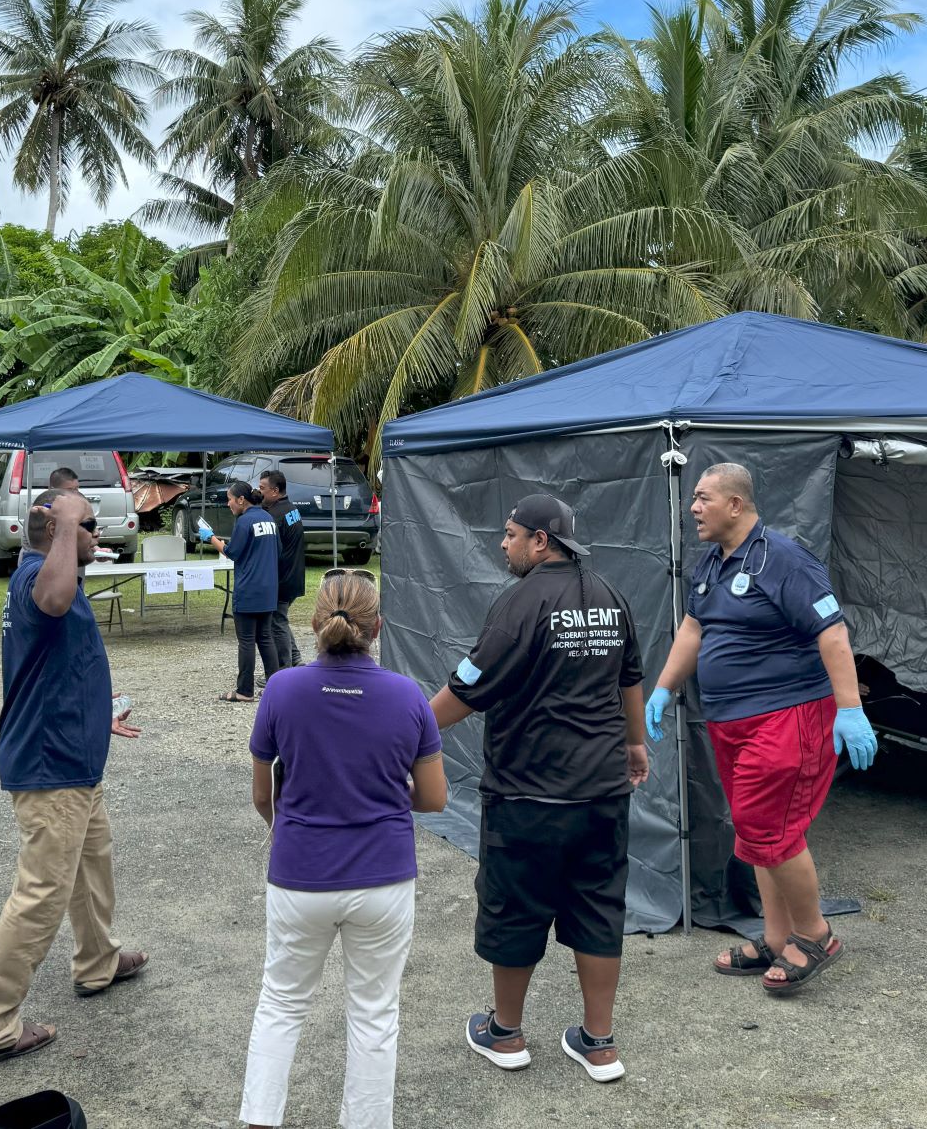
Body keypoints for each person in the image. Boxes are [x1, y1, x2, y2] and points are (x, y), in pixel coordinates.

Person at [429, 494, 649, 1084]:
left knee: (514, 908)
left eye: (510, 535)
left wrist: (410, 730)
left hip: (527, 793)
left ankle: (506, 1034)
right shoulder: (610, 596)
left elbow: (469, 686)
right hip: (602, 791)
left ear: (540, 541)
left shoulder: (520, 603)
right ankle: (600, 1044)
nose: (503, 544)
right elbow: (632, 676)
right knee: (601, 909)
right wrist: (635, 745)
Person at [646, 463, 876, 995]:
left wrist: (849, 708)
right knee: (754, 829)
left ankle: (816, 934)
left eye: (703, 498)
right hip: (731, 722)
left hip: (787, 715)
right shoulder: (712, 563)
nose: (693, 508)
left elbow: (833, 633)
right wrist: (664, 687)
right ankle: (776, 936)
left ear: (736, 504)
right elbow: (694, 627)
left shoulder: (785, 559)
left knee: (772, 827)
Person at [239, 571, 448, 1129]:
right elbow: (433, 799)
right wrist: (384, 788)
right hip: (383, 878)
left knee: (280, 1004)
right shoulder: (407, 697)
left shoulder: (281, 688)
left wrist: (283, 829)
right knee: (375, 1015)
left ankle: (261, 1119)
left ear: (313, 623)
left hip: (299, 874)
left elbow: (264, 795)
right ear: (378, 627)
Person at [0, 489, 148, 1070]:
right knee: (41, 893)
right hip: (51, 768)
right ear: (56, 529)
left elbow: (55, 661)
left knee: (92, 867)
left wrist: (98, 714)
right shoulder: (41, 576)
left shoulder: (50, 572)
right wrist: (67, 522)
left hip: (75, 756)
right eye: (89, 525)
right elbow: (57, 600)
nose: (98, 534)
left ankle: (98, 962)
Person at [206, 481, 280, 703]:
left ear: (241, 499)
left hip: (248, 589)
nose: (228, 504)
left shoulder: (244, 521)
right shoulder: (269, 519)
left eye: (229, 499)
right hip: (268, 588)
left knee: (246, 641)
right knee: (266, 638)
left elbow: (232, 552)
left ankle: (245, 691)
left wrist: (210, 538)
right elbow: (278, 551)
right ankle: (276, 687)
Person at [256, 470, 306, 670]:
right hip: (293, 574)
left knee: (276, 624)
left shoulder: (274, 516)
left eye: (262, 489)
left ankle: (284, 670)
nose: (259, 493)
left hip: (281, 578)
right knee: (280, 620)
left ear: (275, 491)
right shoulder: (290, 508)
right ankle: (295, 659)